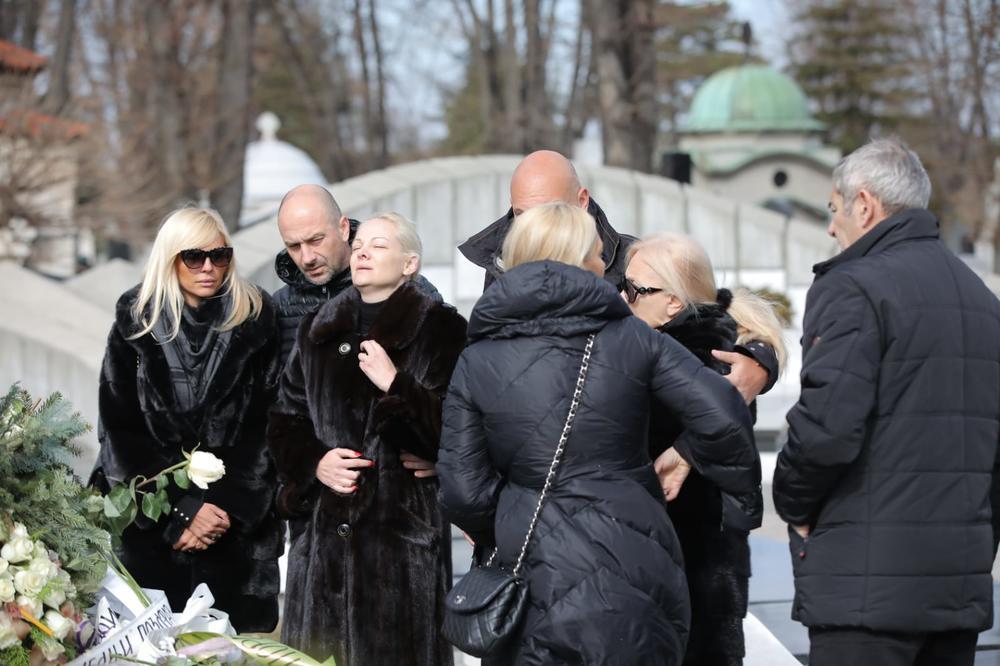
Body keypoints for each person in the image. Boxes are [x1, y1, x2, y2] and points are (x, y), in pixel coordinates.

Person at [437, 202, 759, 665]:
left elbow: (461, 488)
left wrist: (513, 516)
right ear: (583, 259)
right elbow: (725, 414)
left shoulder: (478, 355)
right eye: (596, 253)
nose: (605, 264)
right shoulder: (634, 337)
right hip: (634, 560)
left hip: (529, 572)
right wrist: (723, 486)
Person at [773, 138, 1000, 666]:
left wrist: (792, 503)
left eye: (834, 210)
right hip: (955, 592)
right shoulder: (983, 302)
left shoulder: (854, 287)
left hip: (864, 599)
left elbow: (826, 428)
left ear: (865, 205)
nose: (832, 228)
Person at [268, 212, 467, 665]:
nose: (362, 251)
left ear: (409, 263)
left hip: (400, 546)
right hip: (321, 547)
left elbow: (457, 430)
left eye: (379, 245)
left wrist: (396, 385)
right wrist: (315, 463)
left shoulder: (442, 330)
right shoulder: (317, 331)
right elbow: (283, 420)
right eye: (360, 244)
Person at [91, 207, 282, 631]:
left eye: (220, 255)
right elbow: (119, 430)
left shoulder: (256, 318)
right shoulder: (134, 322)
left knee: (234, 652)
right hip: (151, 532)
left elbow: (266, 429)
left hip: (233, 537)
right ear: (170, 257)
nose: (209, 267)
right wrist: (180, 513)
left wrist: (223, 507)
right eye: (193, 257)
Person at [458, 149, 773, 405]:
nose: (536, 227)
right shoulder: (502, 271)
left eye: (552, 210)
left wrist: (758, 363)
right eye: (522, 215)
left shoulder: (635, 260)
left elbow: (715, 316)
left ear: (582, 201)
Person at [623, 233, 787, 666]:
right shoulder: (726, 347)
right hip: (710, 563)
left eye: (637, 290)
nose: (624, 297)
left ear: (674, 303)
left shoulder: (676, 360)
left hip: (684, 562)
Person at [273, 184, 442, 481]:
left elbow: (453, 398)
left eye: (316, 240)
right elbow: (277, 413)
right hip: (319, 508)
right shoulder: (280, 309)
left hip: (400, 500)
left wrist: (442, 457)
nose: (307, 257)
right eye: (293, 246)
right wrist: (312, 463)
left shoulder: (416, 296)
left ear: (342, 228)